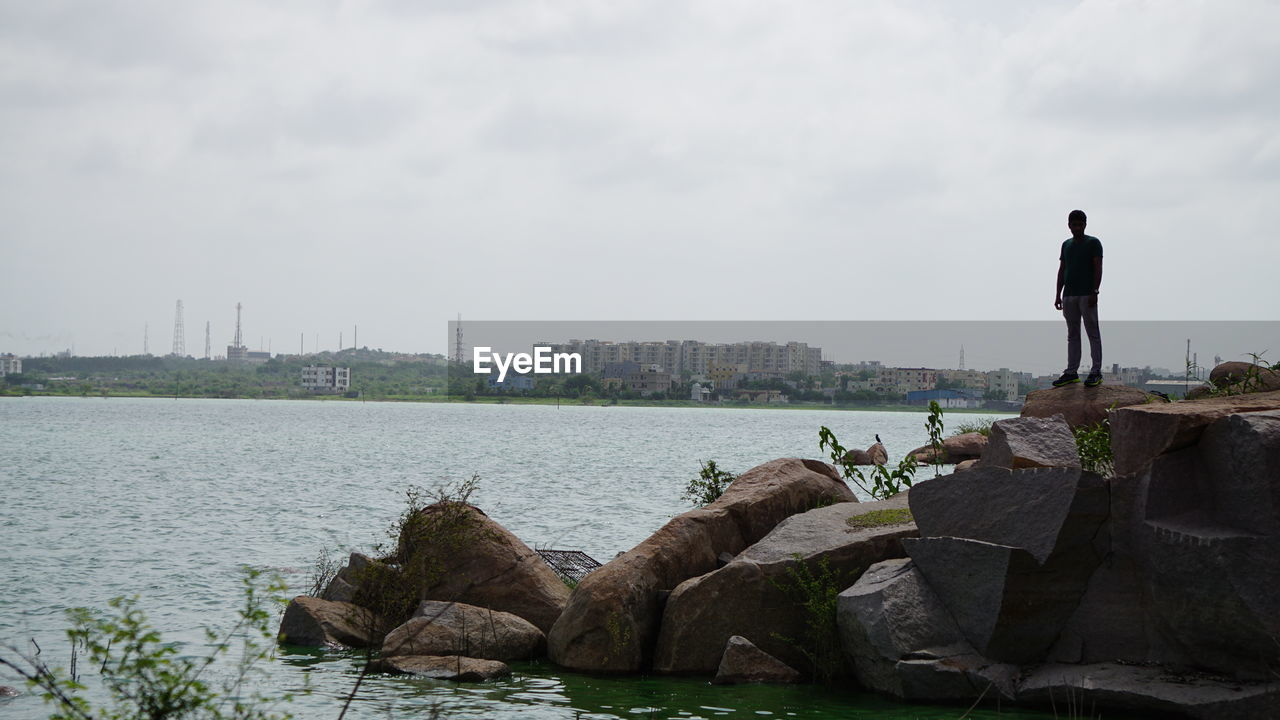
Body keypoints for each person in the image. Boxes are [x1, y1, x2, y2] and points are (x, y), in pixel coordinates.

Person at [1053, 209, 1103, 387]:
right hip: (1069, 295)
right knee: (1073, 334)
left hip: (1087, 294)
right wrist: (1058, 294)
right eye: (1073, 225)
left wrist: (1095, 291)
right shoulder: (1066, 245)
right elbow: (1062, 269)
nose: (1076, 228)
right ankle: (1071, 371)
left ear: (1085, 225)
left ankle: (1096, 370)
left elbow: (1098, 267)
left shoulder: (1093, 243)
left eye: (1080, 224)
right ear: (1069, 225)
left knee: (1092, 332)